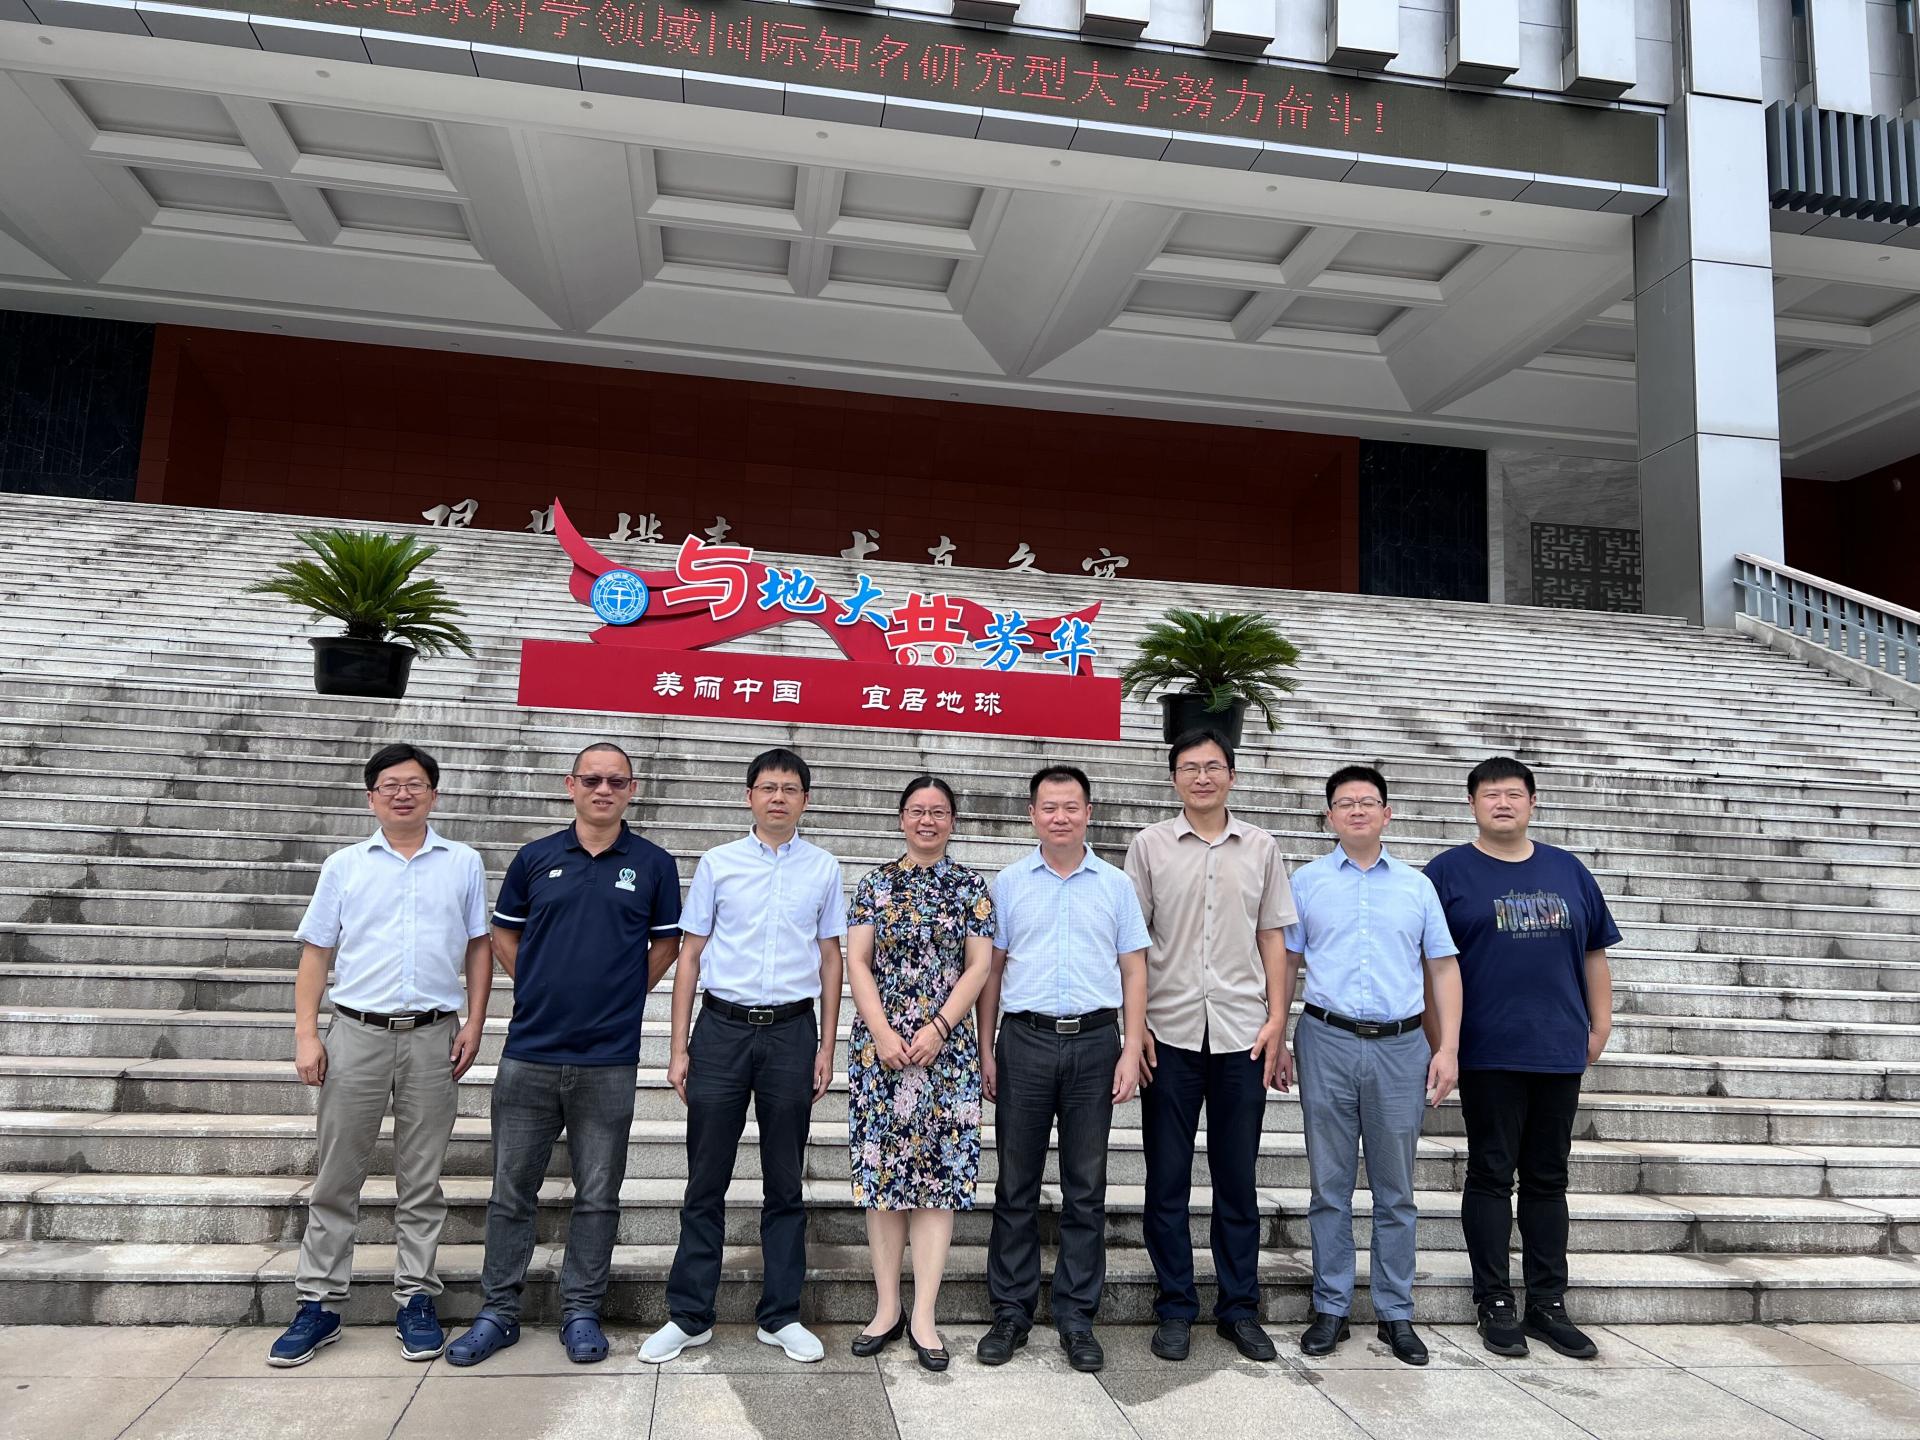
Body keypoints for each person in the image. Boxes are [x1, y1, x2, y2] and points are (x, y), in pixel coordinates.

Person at [446, 742, 681, 1368]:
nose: (604, 790)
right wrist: (537, 983)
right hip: (530, 1052)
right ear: (570, 785)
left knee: (598, 1194)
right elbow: (502, 931)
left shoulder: (654, 864)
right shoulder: (535, 857)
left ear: (631, 790)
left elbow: (666, 945)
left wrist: (623, 993)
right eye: (592, 779)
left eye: (616, 781)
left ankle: (582, 1311)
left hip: (609, 1058)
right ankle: (498, 1312)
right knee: (510, 1192)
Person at [269, 743, 492, 1367]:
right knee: (337, 1176)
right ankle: (318, 1303)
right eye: (390, 784)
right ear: (371, 797)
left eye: (415, 784)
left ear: (433, 795)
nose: (403, 793)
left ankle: (416, 1297)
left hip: (434, 1036)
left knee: (422, 1178)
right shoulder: (344, 865)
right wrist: (307, 1034)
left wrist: (476, 1021)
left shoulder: (463, 862)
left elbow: (479, 946)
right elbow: (317, 952)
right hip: (357, 1034)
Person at [641, 747, 847, 1365]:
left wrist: (826, 1045)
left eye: (790, 789)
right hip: (722, 1031)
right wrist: (678, 1046)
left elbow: (831, 958)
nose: (778, 797)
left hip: (790, 1033)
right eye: (767, 787)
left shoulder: (823, 868)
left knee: (785, 1181)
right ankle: (689, 1315)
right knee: (706, 1177)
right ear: (749, 796)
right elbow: (690, 955)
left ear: (805, 800)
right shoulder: (719, 862)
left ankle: (780, 1315)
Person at [1423, 756, 1619, 1361]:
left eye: (1513, 794)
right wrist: (1442, 1043)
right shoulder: (1446, 873)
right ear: (1472, 805)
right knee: (1490, 1172)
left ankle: (1548, 1303)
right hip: (1488, 1050)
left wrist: (1601, 1025)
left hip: (1558, 1046)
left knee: (1547, 1177)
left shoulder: (1568, 869)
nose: (1502, 803)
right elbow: (1429, 965)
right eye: (1489, 795)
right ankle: (1494, 1301)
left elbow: (1594, 954)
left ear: (1533, 802)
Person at [1123, 729, 1297, 1364]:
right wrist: (1134, 1026)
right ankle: (1174, 1306)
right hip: (1167, 1034)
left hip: (1242, 1037)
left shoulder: (1262, 847)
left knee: (1237, 1179)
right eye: (1190, 767)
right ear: (1175, 778)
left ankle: (1238, 1308)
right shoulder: (1148, 846)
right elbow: (1132, 942)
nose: (1202, 777)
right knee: (1166, 1179)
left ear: (1232, 775)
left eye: (1213, 766)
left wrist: (1278, 1021)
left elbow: (1273, 938)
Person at [975, 763, 1150, 1375]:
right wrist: (987, 1048)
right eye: (1048, 807)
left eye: (1071, 806)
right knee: (1015, 1184)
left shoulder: (1116, 885)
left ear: (1088, 813)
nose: (1060, 817)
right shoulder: (1008, 884)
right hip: (1024, 1041)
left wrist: (1131, 1047)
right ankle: (1012, 1311)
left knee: (1085, 1186)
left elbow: (1134, 969)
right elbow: (991, 971)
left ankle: (1077, 1316)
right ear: (1032, 815)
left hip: (1095, 1043)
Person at [1284, 764, 1460, 1367]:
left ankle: (1395, 1312)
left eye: (1367, 801)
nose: (1356, 810)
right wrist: (1277, 1033)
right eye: (1344, 803)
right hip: (1326, 1039)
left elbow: (1443, 967)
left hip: (1401, 1046)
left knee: (1396, 1190)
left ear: (1387, 813)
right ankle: (1330, 1306)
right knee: (1329, 1185)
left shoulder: (1417, 886)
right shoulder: (1306, 882)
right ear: (1329, 816)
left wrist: (1447, 1047)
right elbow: (1286, 963)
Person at [844, 776, 996, 1371]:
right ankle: (886, 1308)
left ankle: (925, 1316)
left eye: (937, 812)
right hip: (880, 1051)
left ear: (953, 820)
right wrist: (883, 1032)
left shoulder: (971, 887)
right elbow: (858, 961)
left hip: (946, 1052)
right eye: (916, 811)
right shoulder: (875, 884)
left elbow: (979, 966)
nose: (926, 820)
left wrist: (938, 1027)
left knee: (939, 1181)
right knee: (883, 1183)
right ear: (901, 818)